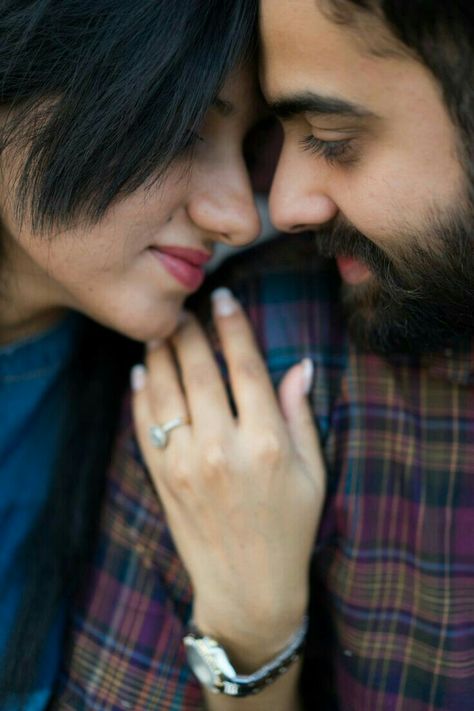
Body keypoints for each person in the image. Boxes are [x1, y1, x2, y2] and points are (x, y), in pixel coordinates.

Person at [57, 1, 474, 710]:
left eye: (336, 138)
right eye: (281, 142)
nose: (276, 207)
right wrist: (253, 652)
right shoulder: (262, 360)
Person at [0, 1, 264, 708]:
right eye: (184, 127)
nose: (238, 217)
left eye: (251, 152)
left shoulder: (164, 413)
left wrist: (256, 632)